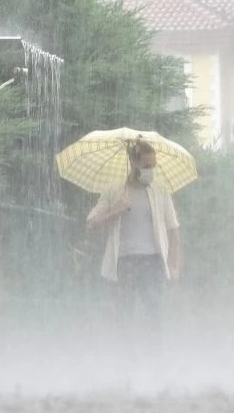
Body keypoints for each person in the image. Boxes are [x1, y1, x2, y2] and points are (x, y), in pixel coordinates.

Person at [86, 141, 181, 351]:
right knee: (123, 317)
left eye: (153, 166)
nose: (150, 171)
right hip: (124, 262)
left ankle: (154, 359)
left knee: (154, 315)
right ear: (133, 163)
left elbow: (173, 229)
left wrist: (174, 265)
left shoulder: (160, 191)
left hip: (153, 261)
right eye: (146, 166)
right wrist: (117, 209)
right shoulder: (114, 190)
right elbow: (91, 224)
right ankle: (126, 360)